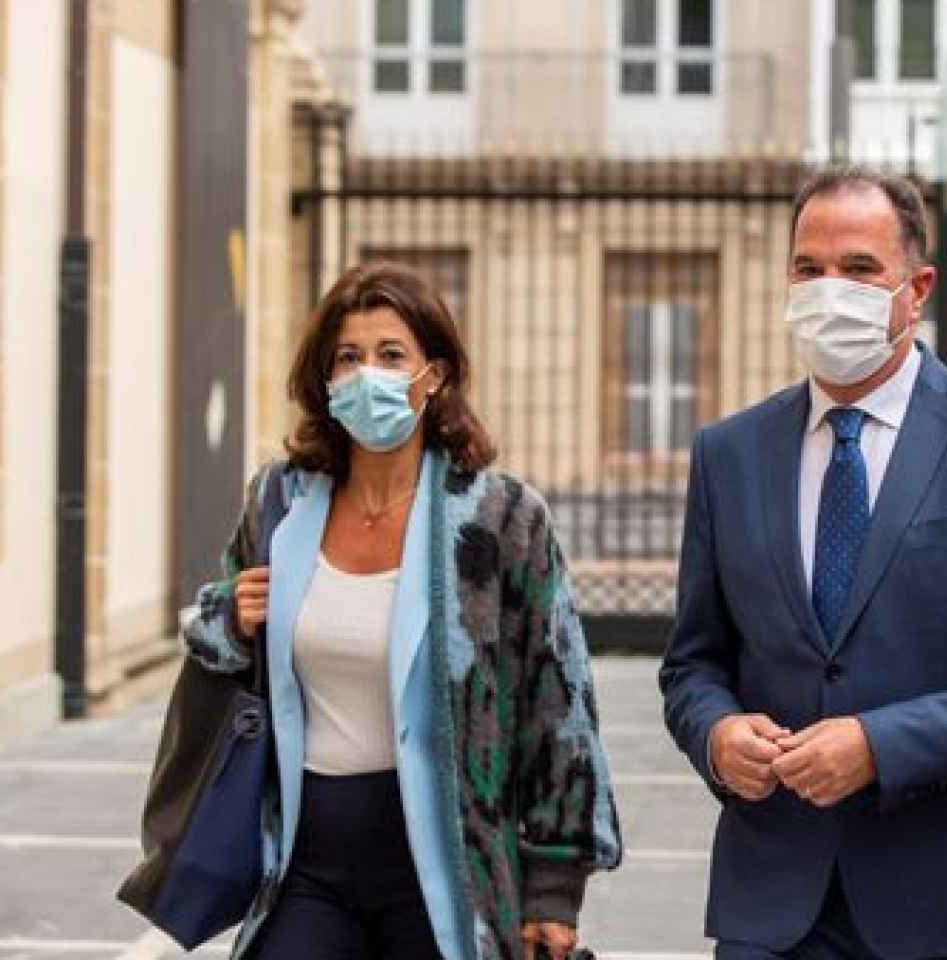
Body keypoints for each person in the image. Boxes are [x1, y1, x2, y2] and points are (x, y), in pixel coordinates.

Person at [659, 165, 947, 960]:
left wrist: (880, 745)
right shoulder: (729, 455)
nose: (830, 290)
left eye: (860, 269)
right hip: (775, 901)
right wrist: (717, 735)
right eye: (809, 268)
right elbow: (693, 664)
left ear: (917, 287)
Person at [181, 262, 622, 960]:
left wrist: (554, 891)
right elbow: (214, 631)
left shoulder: (501, 516)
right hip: (303, 861)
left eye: (391, 355)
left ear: (434, 375)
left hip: (448, 866)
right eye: (348, 358)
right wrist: (231, 618)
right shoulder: (283, 501)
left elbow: (559, 703)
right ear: (326, 380)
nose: (368, 375)